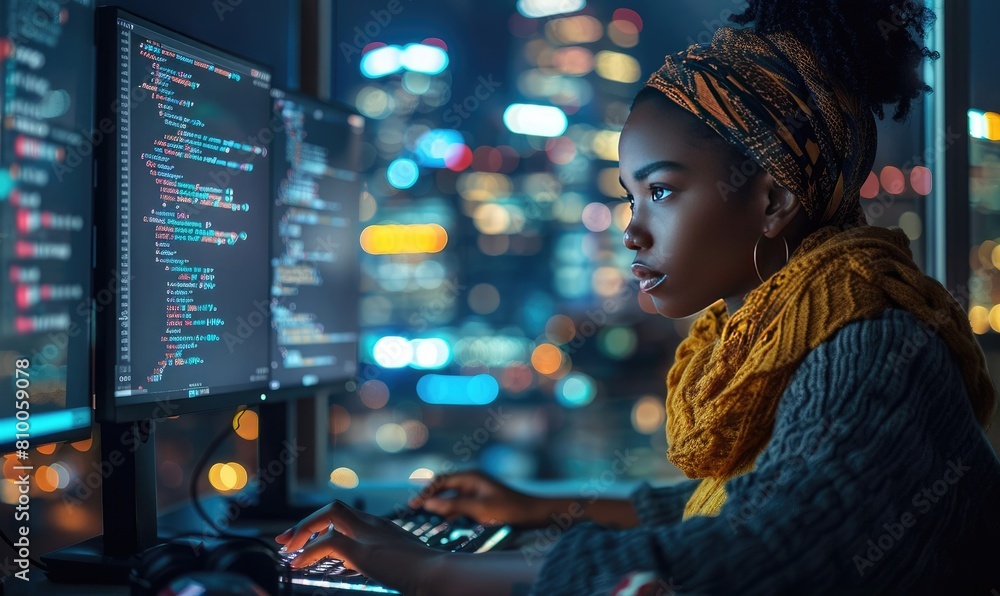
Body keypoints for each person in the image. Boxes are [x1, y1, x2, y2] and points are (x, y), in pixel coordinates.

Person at [276, 0, 1000, 593]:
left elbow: (761, 554)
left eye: (660, 191)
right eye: (629, 196)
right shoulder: (790, 330)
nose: (632, 231)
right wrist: (539, 507)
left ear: (773, 200)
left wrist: (430, 570)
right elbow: (739, 500)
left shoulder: (872, 344)